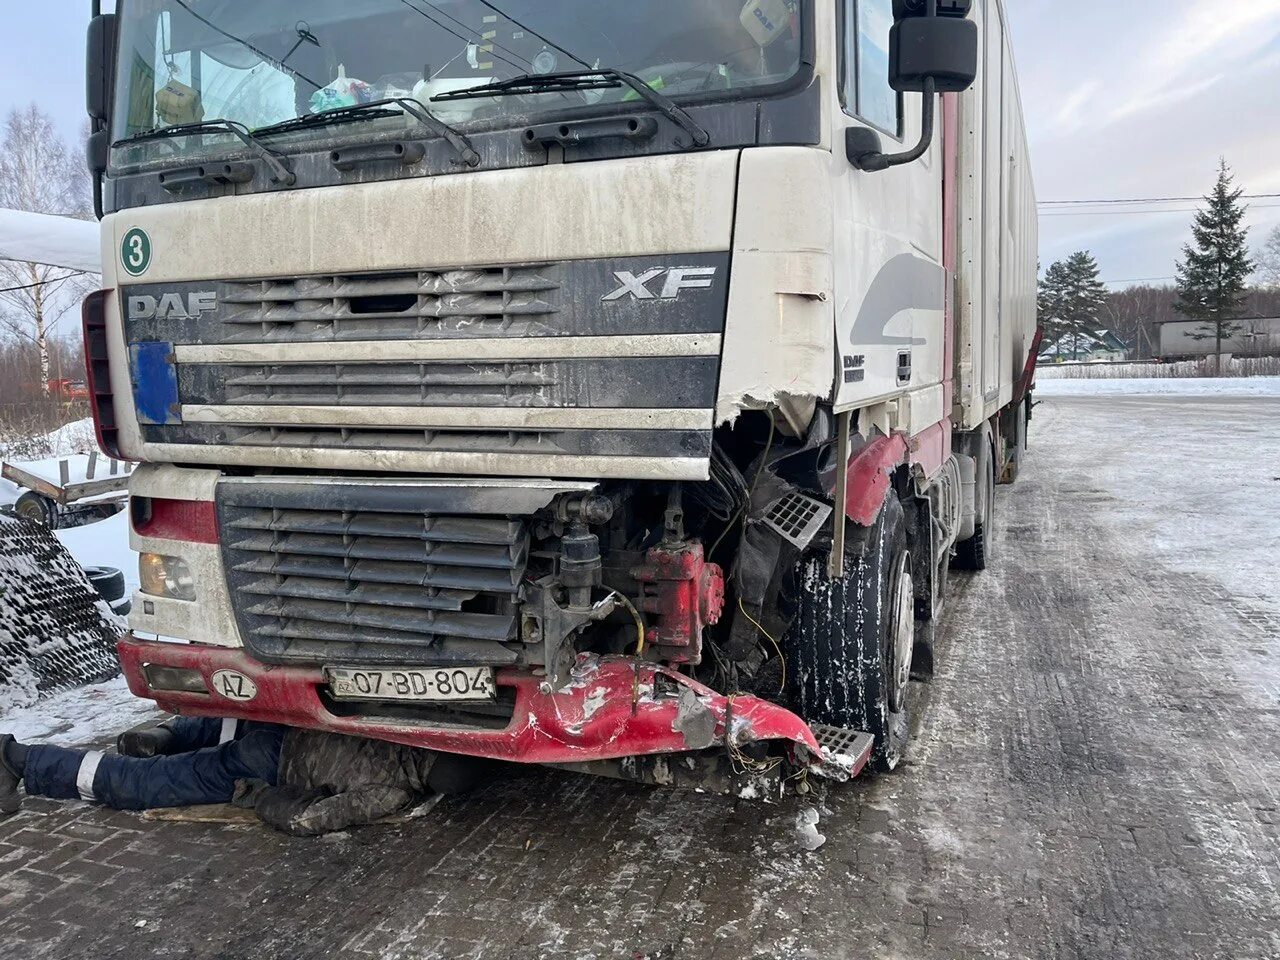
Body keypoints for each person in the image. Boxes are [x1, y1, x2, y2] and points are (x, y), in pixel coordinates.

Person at [0, 719, 490, 835]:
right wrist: (262, 800)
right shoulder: (394, 793)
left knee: (229, 723)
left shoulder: (403, 727)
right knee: (146, 783)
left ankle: (169, 732)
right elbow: (308, 820)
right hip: (264, 767)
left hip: (282, 727)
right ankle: (20, 762)